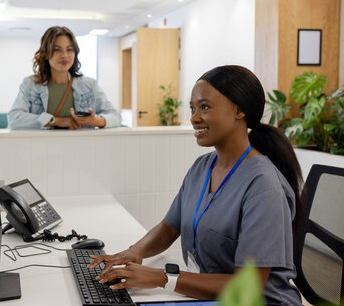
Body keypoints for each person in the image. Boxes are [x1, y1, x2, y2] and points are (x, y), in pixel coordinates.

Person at [89, 65, 303, 305]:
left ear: (239, 110)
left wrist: (162, 278)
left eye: (205, 107)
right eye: (192, 108)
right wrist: (135, 251)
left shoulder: (264, 186)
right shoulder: (203, 166)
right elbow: (170, 227)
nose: (194, 118)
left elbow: (249, 286)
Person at [8, 26, 120, 130]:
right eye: (57, 49)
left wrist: (95, 121)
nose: (64, 55)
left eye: (69, 49)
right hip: (43, 148)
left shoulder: (89, 85)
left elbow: (115, 117)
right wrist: (55, 121)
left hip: (82, 147)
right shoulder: (31, 84)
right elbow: (14, 119)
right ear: (46, 54)